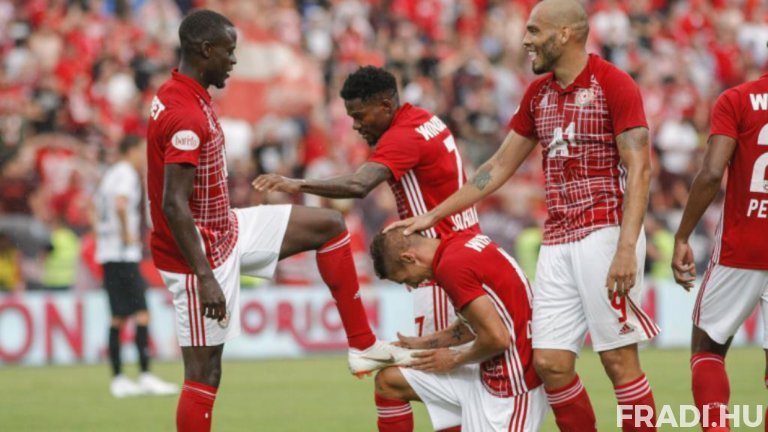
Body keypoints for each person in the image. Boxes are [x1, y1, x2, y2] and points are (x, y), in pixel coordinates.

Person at [388, 0, 659, 430]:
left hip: (605, 233)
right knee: (549, 363)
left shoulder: (614, 83)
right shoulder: (538, 94)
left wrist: (627, 248)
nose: (526, 40)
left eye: (534, 31)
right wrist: (433, 215)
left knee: (618, 361)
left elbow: (640, 168)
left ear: (565, 34)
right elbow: (496, 167)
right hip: (557, 238)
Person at [146, 10, 414, 432]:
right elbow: (173, 204)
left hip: (227, 229)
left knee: (329, 226)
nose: (234, 61)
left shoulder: (181, 94)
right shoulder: (185, 115)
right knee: (204, 373)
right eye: (229, 52)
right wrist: (204, 277)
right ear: (206, 50)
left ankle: (362, 345)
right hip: (197, 256)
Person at [252, 65, 480, 431]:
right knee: (434, 388)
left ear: (386, 105)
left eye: (360, 116)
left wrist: (297, 183)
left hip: (439, 267)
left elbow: (360, 185)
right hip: (463, 251)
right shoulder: (426, 120)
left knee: (424, 386)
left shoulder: (402, 137)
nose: (357, 126)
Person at [368, 228, 546, 431]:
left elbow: (498, 339)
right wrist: (421, 343)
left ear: (409, 258)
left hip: (513, 388)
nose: (413, 286)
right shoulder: (459, 243)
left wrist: (454, 359)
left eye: (405, 279)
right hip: (489, 373)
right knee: (390, 381)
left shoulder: (451, 268)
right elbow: (477, 323)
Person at [672, 72, 768, 431]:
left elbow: (712, 173)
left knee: (707, 350)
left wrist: (683, 235)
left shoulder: (737, 100)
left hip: (740, 248)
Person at [94, 134, 178, 398]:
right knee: (142, 313)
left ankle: (119, 378)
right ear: (130, 151)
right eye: (141, 151)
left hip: (108, 253)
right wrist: (126, 234)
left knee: (118, 317)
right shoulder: (126, 174)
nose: (144, 156)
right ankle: (144, 375)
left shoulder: (109, 175)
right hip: (122, 254)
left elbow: (95, 208)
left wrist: (104, 234)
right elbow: (120, 204)